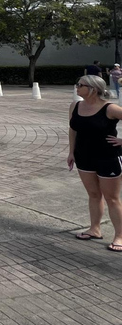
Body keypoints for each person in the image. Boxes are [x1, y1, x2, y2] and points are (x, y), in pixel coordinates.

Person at [68, 75, 122, 252]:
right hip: (83, 157)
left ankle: (120, 236)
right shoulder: (75, 105)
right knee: (93, 194)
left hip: (108, 157)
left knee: (112, 198)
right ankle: (95, 229)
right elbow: (73, 129)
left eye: (80, 84)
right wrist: (71, 152)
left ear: (92, 89)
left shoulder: (110, 108)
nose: (76, 87)